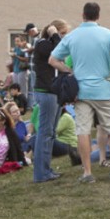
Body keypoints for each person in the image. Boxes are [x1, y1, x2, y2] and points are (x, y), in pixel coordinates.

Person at [49, 2, 110, 183]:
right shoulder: (107, 34)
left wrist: (69, 72)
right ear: (98, 15)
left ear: (83, 15)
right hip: (104, 88)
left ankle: (87, 172)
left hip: (81, 91)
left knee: (83, 131)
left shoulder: (72, 36)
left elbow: (53, 60)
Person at [32, 19, 70, 183]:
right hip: (46, 92)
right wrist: (54, 34)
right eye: (62, 34)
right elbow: (59, 50)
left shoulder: (49, 44)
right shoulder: (42, 44)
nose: (63, 38)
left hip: (53, 92)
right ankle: (41, 173)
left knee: (50, 133)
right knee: (45, 132)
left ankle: (46, 169)